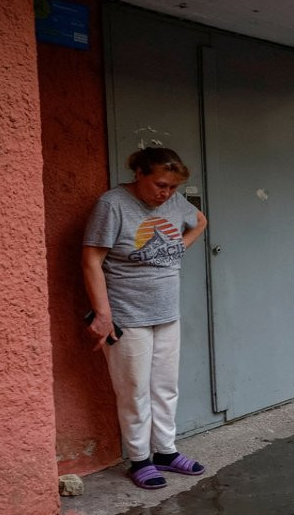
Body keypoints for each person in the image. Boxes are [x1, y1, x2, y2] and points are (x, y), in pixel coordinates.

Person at [82, 147, 209, 489]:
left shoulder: (173, 202)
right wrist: (103, 315)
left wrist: (177, 247)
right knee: (134, 389)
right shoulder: (112, 205)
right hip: (127, 315)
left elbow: (200, 221)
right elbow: (91, 260)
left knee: (165, 387)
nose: (166, 194)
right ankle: (139, 459)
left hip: (167, 312)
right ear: (139, 173)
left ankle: (165, 452)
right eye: (160, 185)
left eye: (172, 187)